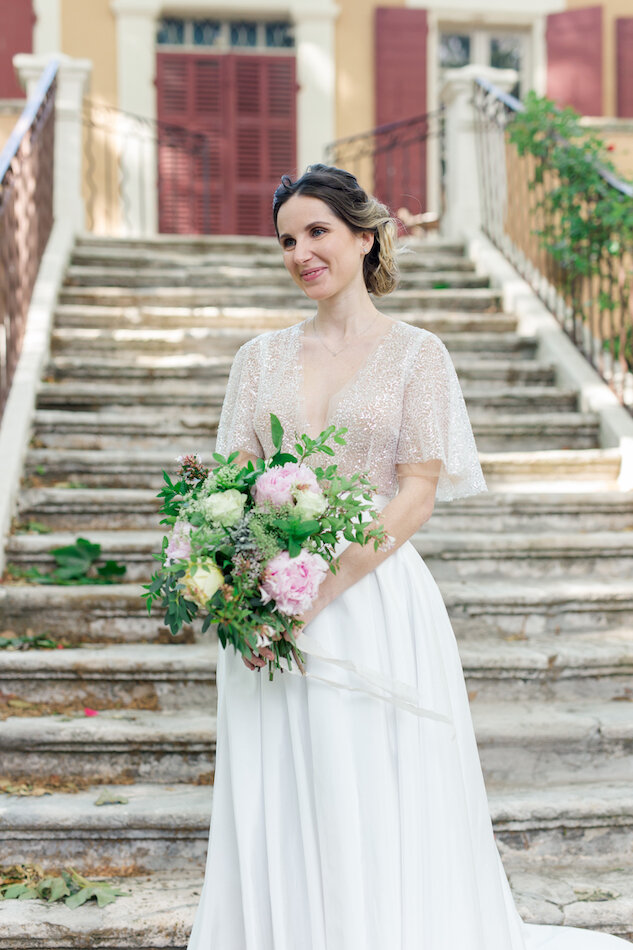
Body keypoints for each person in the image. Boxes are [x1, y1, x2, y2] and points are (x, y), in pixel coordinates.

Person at [187, 164, 627, 949]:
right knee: (282, 784)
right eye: (287, 240)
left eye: (317, 231)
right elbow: (228, 484)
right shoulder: (257, 359)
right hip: (268, 601)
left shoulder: (417, 355)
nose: (300, 253)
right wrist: (238, 592)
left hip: (372, 595)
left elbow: (415, 495)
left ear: (364, 236)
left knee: (375, 783)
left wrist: (320, 589)